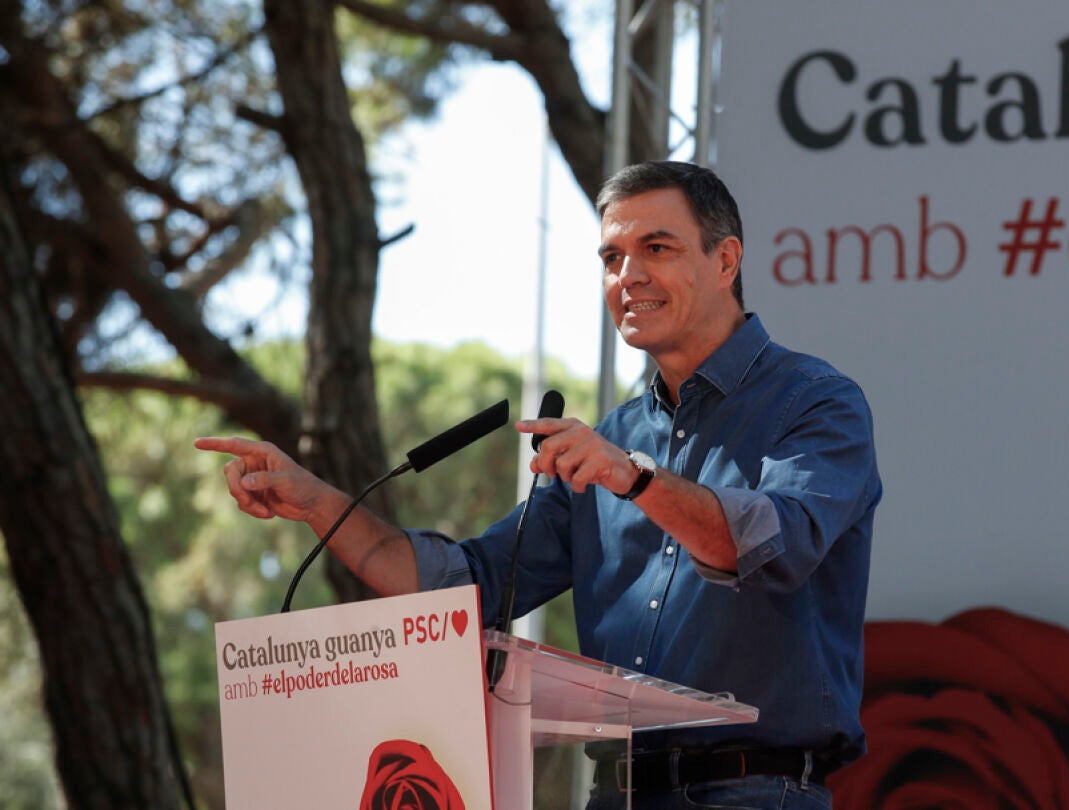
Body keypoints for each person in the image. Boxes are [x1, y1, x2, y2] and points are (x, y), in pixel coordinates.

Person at [197, 161, 882, 809]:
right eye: (611, 258)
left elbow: (771, 544)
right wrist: (320, 504)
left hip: (752, 792)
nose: (628, 276)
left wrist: (632, 477)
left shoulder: (814, 402)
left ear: (726, 260)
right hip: (615, 792)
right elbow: (463, 587)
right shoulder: (615, 437)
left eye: (656, 248)